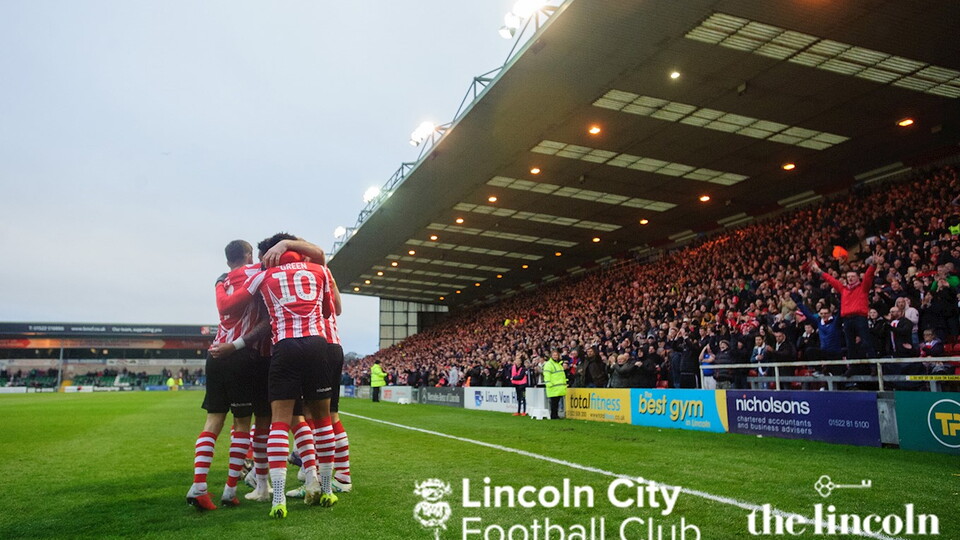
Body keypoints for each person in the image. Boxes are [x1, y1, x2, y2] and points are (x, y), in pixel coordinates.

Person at [216, 233, 337, 517]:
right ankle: (326, 489)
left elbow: (230, 306)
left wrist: (222, 283)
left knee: (279, 423)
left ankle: (278, 499)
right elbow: (328, 310)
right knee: (322, 422)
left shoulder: (262, 276)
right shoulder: (319, 270)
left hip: (284, 348)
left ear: (269, 256)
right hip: (317, 345)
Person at [186, 240, 266, 511]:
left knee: (213, 421)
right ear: (248, 254)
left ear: (227, 259)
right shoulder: (256, 272)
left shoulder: (224, 280)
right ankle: (230, 490)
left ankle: (198, 486)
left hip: (214, 354)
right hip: (239, 355)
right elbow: (265, 321)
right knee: (242, 423)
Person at [543, 348, 567, 419]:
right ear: (551, 356)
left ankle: (555, 415)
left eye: (556, 355)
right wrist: (548, 383)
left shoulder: (558, 364)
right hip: (553, 386)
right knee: (554, 402)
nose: (555, 356)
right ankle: (553, 415)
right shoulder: (549, 364)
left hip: (558, 387)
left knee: (556, 402)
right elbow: (547, 374)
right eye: (554, 355)